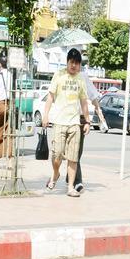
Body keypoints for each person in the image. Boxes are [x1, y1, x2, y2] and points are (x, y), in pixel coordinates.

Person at [41, 48, 90, 197]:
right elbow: (50, 97)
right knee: (56, 155)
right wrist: (45, 115)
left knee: (73, 157)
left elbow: (84, 102)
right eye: (71, 62)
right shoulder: (59, 75)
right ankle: (55, 174)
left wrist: (87, 121)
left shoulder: (81, 79)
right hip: (59, 121)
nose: (74, 66)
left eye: (77, 63)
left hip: (74, 122)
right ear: (67, 62)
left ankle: (70, 187)